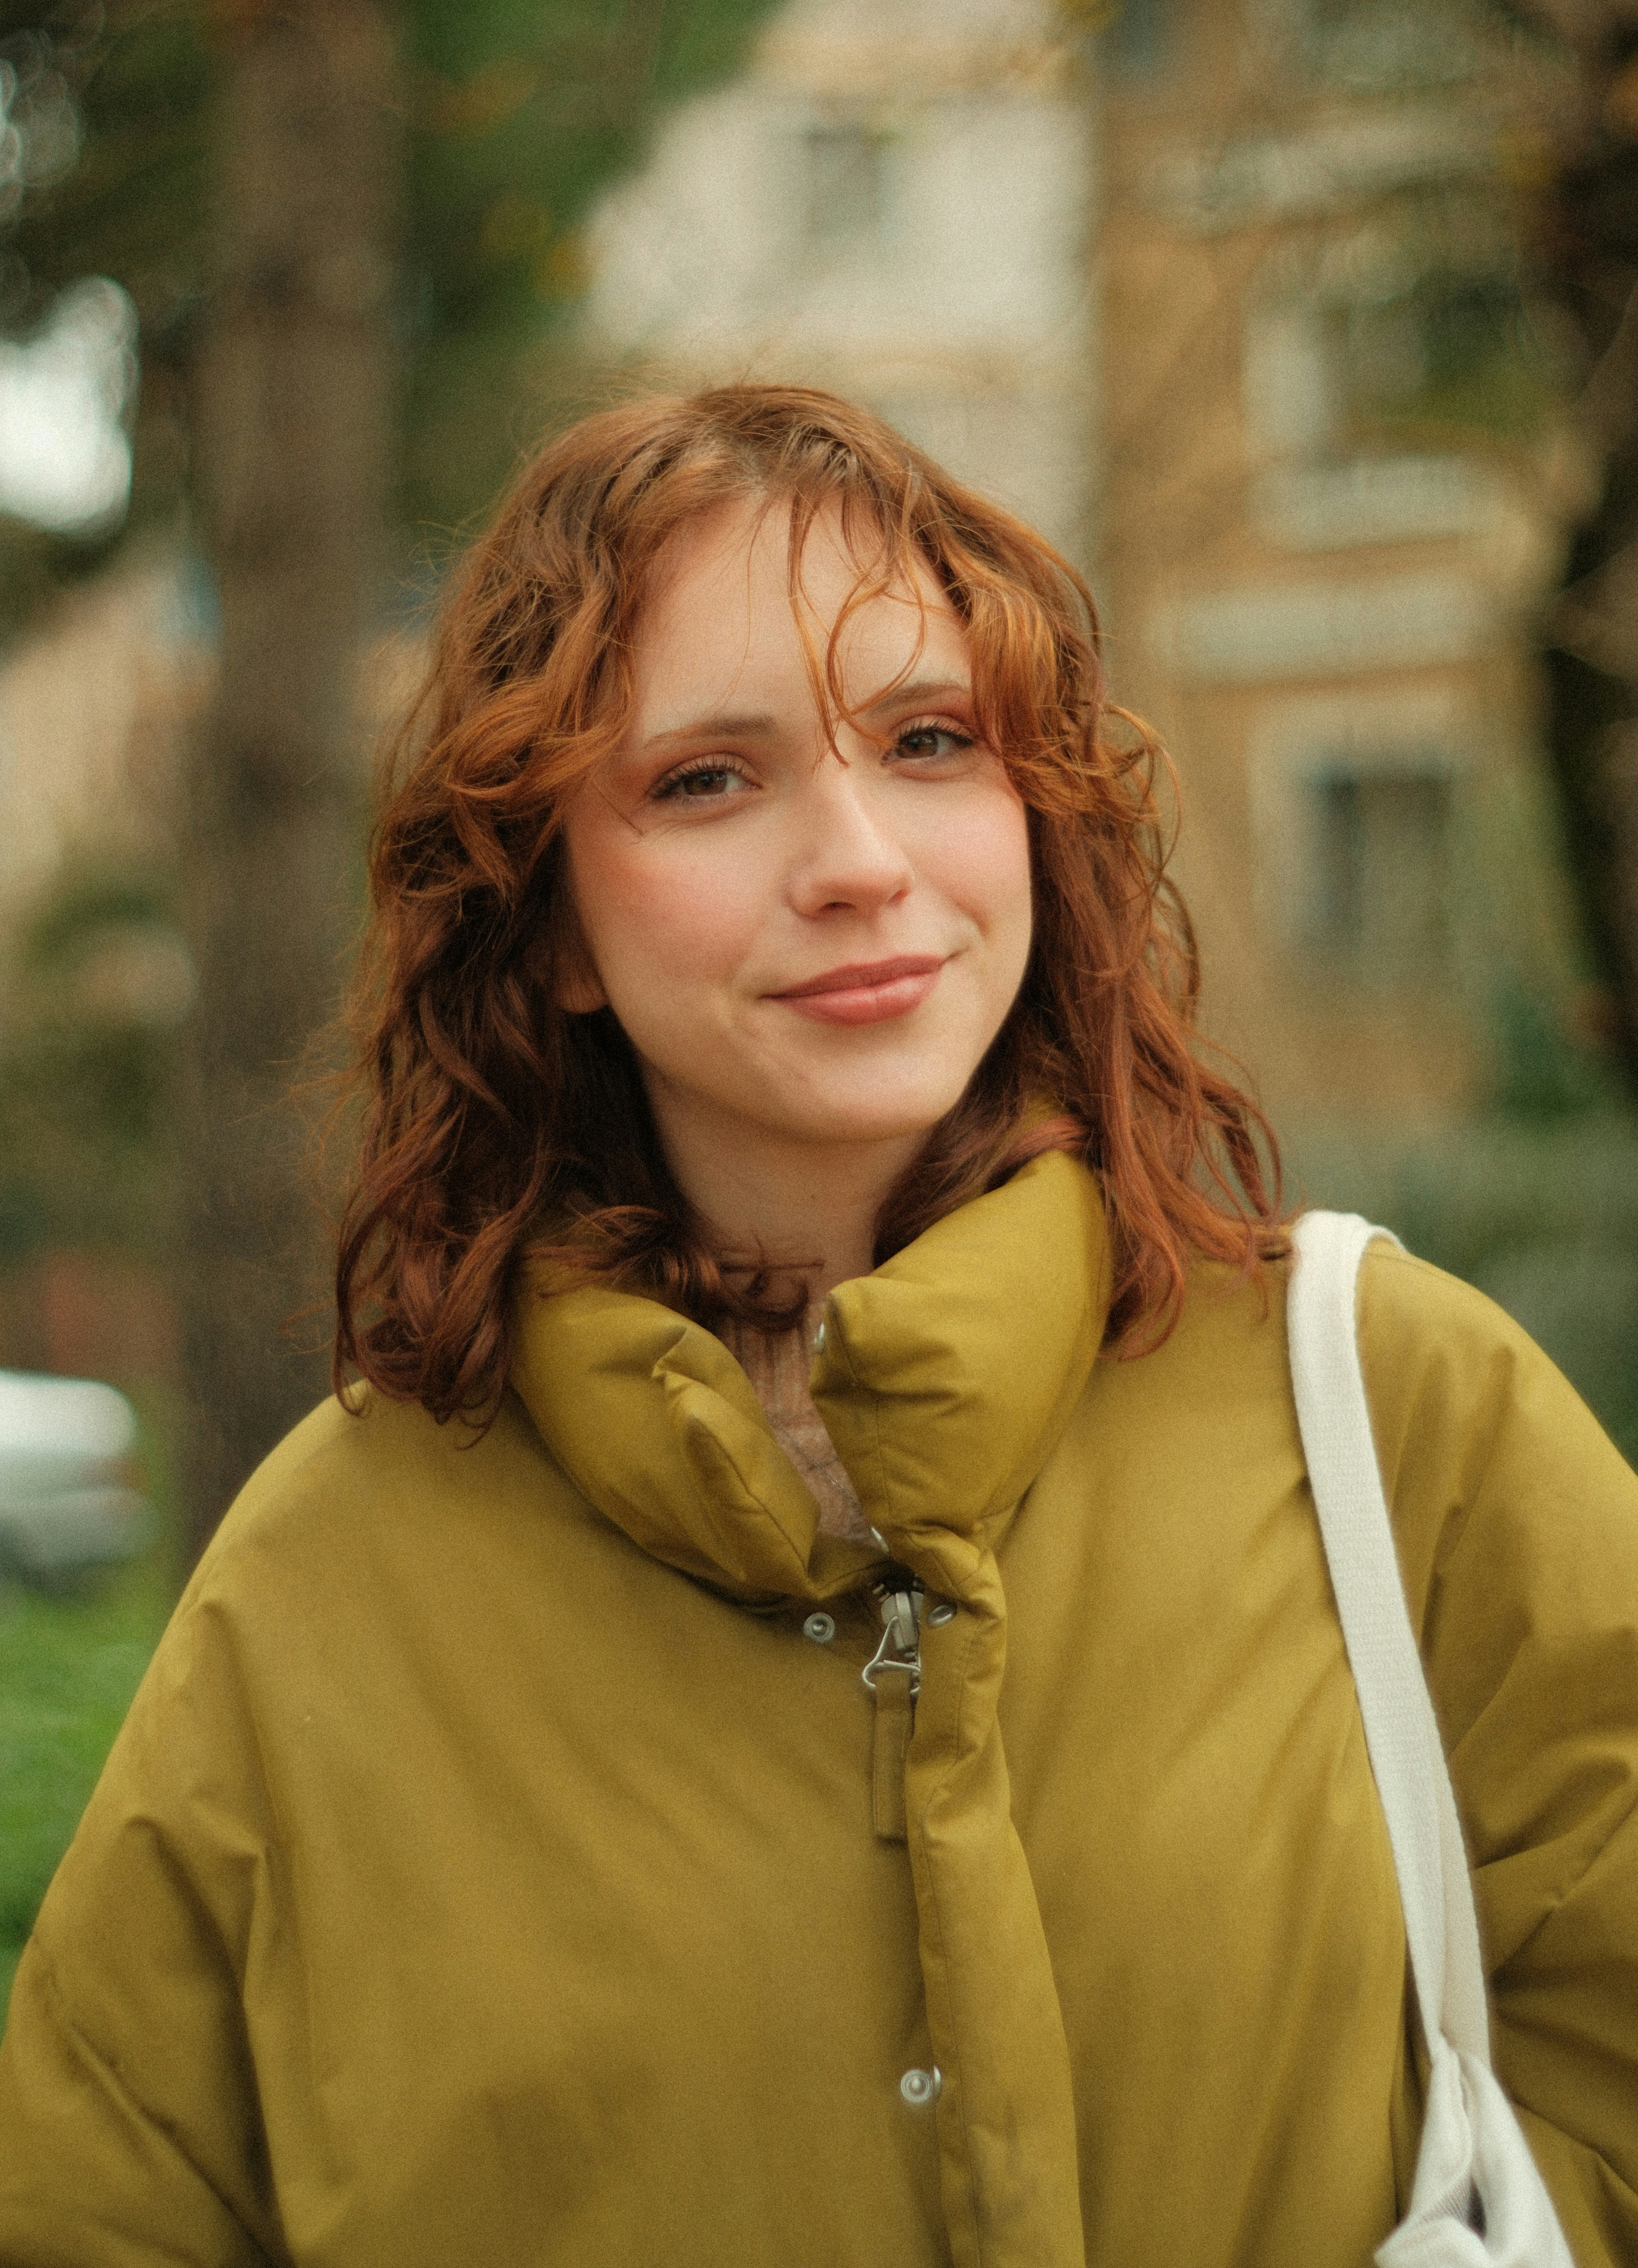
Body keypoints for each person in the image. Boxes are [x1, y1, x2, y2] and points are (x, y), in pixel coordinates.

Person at [1, 384, 1635, 2268]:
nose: (859, 856)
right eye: (708, 778)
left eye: (932, 741)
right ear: (547, 925)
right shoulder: (325, 1585)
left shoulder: (1387, 1403)